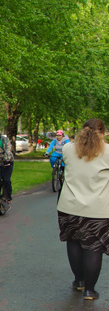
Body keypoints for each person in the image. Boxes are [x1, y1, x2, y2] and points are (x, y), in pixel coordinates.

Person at [56, 118, 109, 300]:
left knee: (74, 242)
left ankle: (79, 281)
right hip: (97, 209)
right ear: (102, 133)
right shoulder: (108, 151)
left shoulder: (68, 149)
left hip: (68, 207)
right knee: (93, 247)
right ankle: (89, 290)